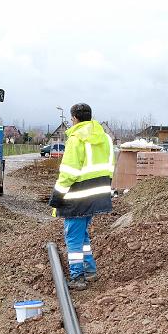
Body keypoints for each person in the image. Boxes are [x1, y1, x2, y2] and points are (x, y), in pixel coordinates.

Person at [49, 103, 114, 290]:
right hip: (97, 194)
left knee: (73, 238)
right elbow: (110, 166)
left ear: (75, 118)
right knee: (82, 236)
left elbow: (68, 172)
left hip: (77, 196)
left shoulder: (76, 139)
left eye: (71, 119)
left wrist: (57, 196)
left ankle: (78, 277)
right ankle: (90, 270)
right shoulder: (105, 138)